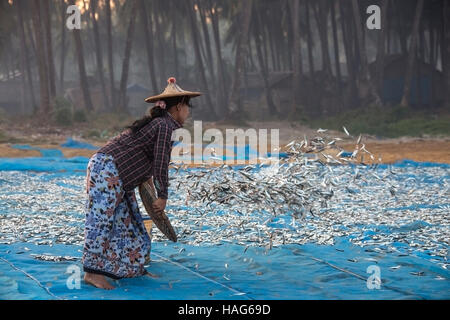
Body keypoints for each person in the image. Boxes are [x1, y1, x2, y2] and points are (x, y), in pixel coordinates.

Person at [82, 77, 200, 290]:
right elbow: (161, 162)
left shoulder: (161, 124)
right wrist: (163, 196)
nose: (189, 113)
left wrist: (153, 191)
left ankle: (129, 269)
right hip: (107, 170)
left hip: (120, 178)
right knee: (102, 222)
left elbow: (148, 162)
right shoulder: (165, 126)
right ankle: (92, 273)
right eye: (187, 108)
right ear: (179, 107)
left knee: (132, 225)